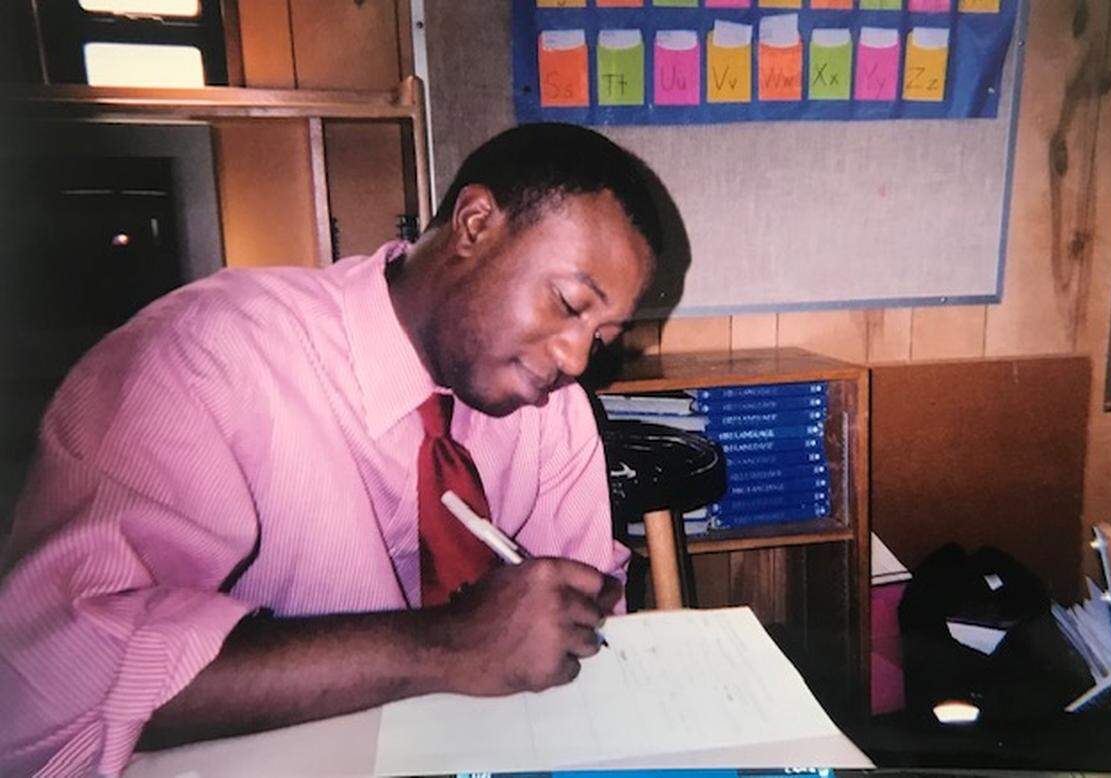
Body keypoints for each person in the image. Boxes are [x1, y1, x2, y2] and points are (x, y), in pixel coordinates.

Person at [0, 123, 663, 776]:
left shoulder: (553, 411)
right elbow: (52, 675)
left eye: (602, 336)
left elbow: (578, 633)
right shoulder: (206, 355)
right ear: (475, 224)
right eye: (570, 304)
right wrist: (446, 646)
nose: (577, 358)